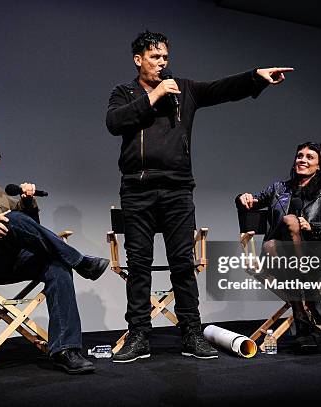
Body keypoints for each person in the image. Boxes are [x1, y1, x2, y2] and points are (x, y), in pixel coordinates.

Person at [106, 30, 293, 362]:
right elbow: (114, 122)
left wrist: (255, 78)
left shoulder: (184, 89)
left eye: (165, 57)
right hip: (137, 190)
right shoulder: (125, 92)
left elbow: (220, 89)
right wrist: (154, 96)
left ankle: (191, 332)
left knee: (183, 263)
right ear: (139, 60)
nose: (162, 63)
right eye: (155, 57)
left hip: (177, 189)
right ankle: (138, 336)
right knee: (139, 266)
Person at [0, 133, 110, 374]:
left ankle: (66, 351)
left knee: (57, 265)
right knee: (13, 219)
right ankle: (81, 261)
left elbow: (30, 227)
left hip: (11, 258)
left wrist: (27, 201)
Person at [236, 142, 321, 352]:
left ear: (319, 166)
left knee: (286, 228)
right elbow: (251, 206)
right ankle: (312, 299)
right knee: (276, 237)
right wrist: (242, 197)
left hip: (313, 255)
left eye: (309, 157)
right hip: (279, 256)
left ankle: (302, 320)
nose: (302, 160)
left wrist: (312, 227)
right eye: (299, 156)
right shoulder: (278, 188)